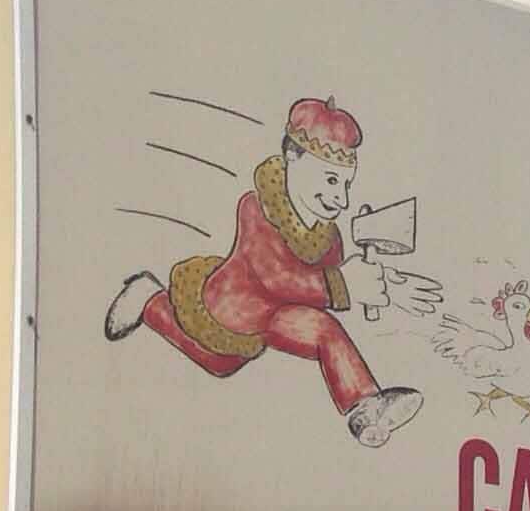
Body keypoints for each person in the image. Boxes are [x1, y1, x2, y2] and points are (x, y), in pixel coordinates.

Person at [105, 97, 440, 448]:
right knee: (221, 362)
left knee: (324, 330)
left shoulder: (327, 237)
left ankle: (366, 408)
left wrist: (380, 284)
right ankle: (149, 298)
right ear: (292, 159)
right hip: (231, 307)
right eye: (329, 180)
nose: (339, 199)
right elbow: (275, 276)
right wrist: (345, 284)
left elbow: (327, 280)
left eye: (345, 185)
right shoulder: (256, 208)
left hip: (278, 313)